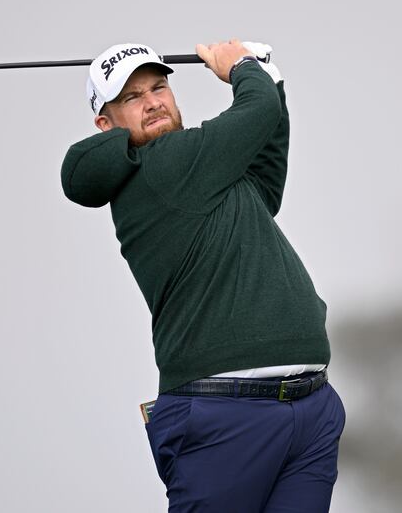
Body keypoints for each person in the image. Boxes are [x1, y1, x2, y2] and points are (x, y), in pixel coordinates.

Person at [61, 39, 346, 512]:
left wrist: (271, 81)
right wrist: (242, 66)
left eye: (158, 88)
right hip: (225, 416)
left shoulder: (202, 173)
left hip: (309, 407)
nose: (152, 101)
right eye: (131, 98)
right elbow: (254, 115)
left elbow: (264, 188)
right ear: (105, 126)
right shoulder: (166, 163)